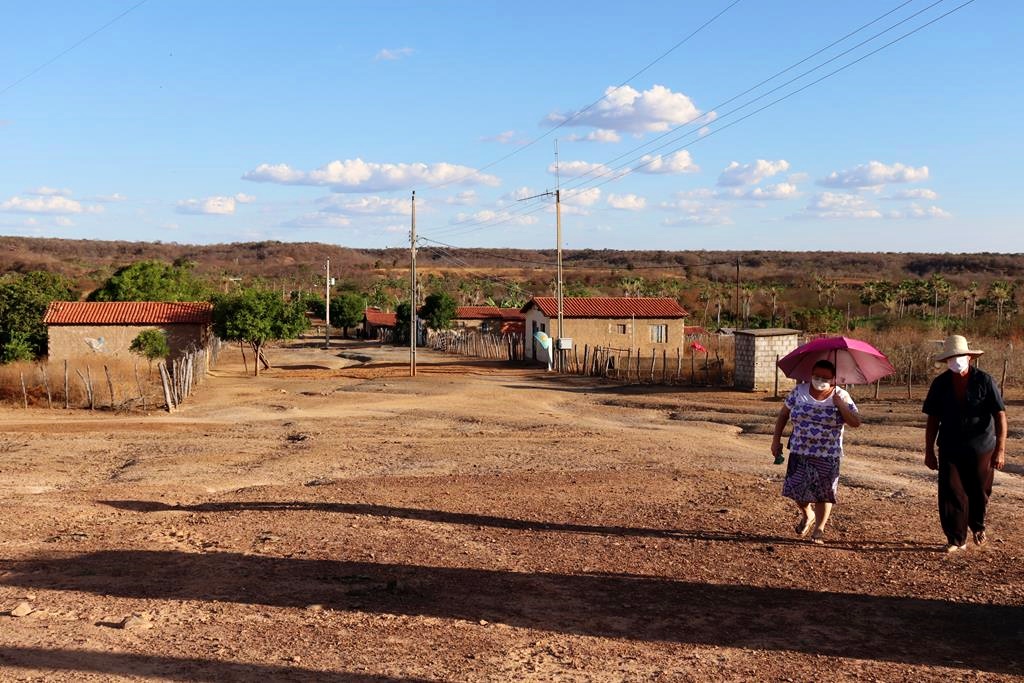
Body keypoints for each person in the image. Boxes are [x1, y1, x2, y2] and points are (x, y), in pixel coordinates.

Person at [923, 335, 1007, 553]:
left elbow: (1000, 416)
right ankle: (956, 538)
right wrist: (929, 451)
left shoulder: (985, 381)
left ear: (969, 357)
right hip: (950, 446)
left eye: (960, 356)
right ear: (946, 360)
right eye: (951, 357)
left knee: (979, 490)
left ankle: (977, 525)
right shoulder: (940, 384)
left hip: (982, 447)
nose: (956, 360)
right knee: (951, 491)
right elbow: (932, 419)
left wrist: (1000, 450)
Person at [771, 360, 861, 544]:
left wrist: (840, 405)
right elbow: (783, 415)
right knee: (797, 491)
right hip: (800, 450)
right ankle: (807, 514)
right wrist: (775, 440)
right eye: (816, 376)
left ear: (833, 379)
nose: (819, 380)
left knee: (824, 492)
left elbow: (855, 421)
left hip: (828, 453)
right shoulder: (799, 391)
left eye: (824, 377)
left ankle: (819, 529)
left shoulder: (841, 395)